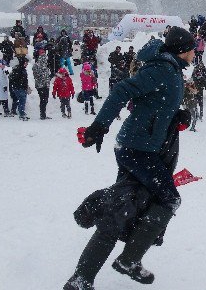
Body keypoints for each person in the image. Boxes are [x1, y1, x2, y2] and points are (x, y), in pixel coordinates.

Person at [65, 27, 195, 288]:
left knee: (121, 208)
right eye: (193, 48)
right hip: (138, 149)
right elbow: (123, 91)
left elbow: (152, 102)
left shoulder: (171, 69)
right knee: (169, 199)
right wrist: (99, 126)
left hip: (142, 146)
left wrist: (175, 115)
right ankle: (127, 258)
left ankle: (82, 279)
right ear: (183, 50)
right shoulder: (162, 69)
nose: (196, 53)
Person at [9, 57, 31, 121]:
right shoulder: (19, 69)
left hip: (22, 88)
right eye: (26, 63)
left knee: (22, 101)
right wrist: (20, 85)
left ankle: (21, 113)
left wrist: (26, 86)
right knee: (22, 101)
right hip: (19, 88)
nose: (27, 64)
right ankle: (21, 114)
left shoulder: (23, 69)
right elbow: (15, 79)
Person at [33, 49, 52, 120]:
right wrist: (43, 77)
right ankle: (42, 115)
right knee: (43, 100)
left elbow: (47, 75)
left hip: (46, 85)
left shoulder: (46, 65)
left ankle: (43, 114)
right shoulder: (36, 65)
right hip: (40, 85)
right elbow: (36, 75)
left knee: (45, 100)